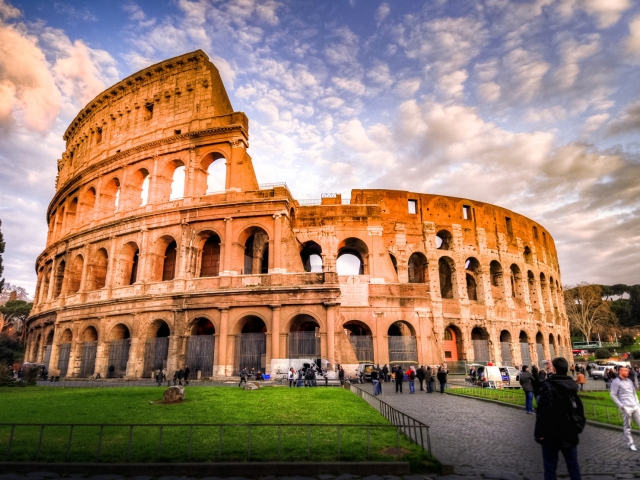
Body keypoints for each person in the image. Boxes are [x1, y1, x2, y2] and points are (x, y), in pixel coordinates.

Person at [534, 357, 584, 480]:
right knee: (573, 466)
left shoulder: (548, 385)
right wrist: (577, 427)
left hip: (551, 434)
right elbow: (579, 409)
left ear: (554, 369)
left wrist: (539, 433)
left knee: (550, 468)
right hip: (570, 433)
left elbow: (543, 411)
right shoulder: (572, 385)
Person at [610, 366, 640, 451]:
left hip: (635, 406)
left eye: (628, 370)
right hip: (626, 407)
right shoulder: (616, 382)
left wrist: (638, 404)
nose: (628, 372)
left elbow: (634, 393)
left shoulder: (630, 381)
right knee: (628, 426)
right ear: (620, 371)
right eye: (626, 371)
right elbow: (612, 395)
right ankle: (630, 443)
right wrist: (621, 406)